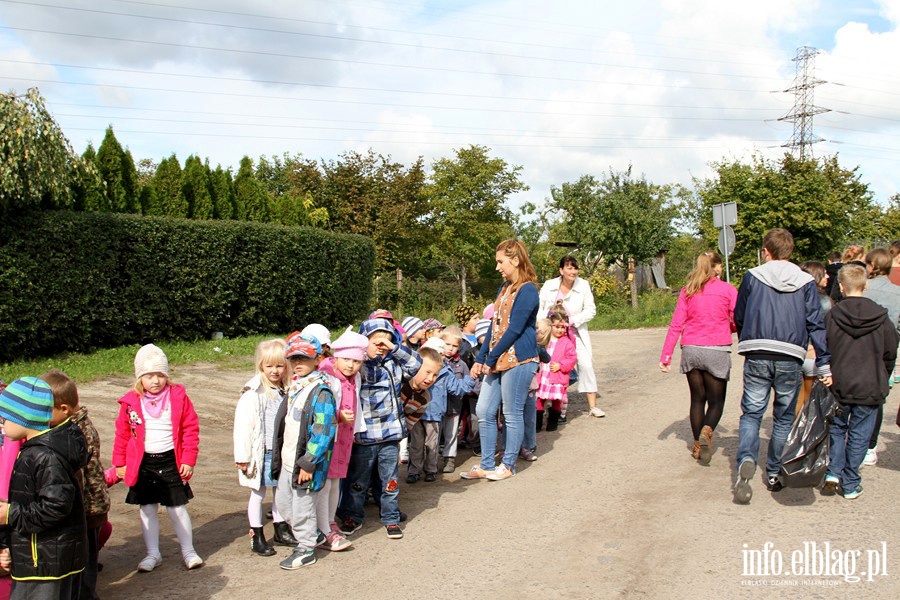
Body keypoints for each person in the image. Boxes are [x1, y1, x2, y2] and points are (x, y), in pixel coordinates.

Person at [732, 229, 831, 505]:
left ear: (767, 250)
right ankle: (774, 472)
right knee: (784, 417)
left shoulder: (753, 276)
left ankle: (747, 460)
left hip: (758, 351)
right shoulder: (805, 282)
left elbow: (739, 313)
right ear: (790, 251)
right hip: (790, 355)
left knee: (751, 413)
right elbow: (815, 321)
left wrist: (747, 338)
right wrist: (823, 359)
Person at [112, 344, 203, 571]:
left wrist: (188, 459)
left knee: (177, 507)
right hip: (143, 463)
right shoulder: (130, 403)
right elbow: (122, 434)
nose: (156, 381)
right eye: (149, 376)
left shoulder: (179, 397)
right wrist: (119, 464)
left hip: (171, 460)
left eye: (160, 375)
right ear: (140, 378)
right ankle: (153, 554)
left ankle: (188, 551)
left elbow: (191, 428)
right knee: (147, 509)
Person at [0, 377, 88, 598]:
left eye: (6, 418)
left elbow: (56, 506)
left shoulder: (44, 455)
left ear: (26, 419)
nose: (2, 424)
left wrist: (11, 513)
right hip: (41, 555)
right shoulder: (38, 449)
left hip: (44, 562)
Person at [336, 317, 422, 540]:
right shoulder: (360, 367)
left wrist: (395, 348)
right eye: (376, 341)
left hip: (390, 435)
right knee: (358, 480)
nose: (381, 345)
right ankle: (352, 515)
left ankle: (391, 516)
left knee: (390, 480)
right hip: (364, 437)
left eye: (387, 340)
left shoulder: (394, 365)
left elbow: (416, 364)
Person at [461, 239, 540, 482]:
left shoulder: (528, 289)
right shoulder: (504, 288)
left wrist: (490, 358)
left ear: (515, 260)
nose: (497, 267)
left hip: (519, 359)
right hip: (498, 358)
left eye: (500, 261)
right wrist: (481, 357)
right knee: (484, 409)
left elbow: (515, 329)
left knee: (511, 412)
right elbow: (495, 328)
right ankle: (486, 464)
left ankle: (507, 465)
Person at [822, 264, 898, 499]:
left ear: (842, 287)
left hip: (839, 381)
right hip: (870, 382)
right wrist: (884, 373)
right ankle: (851, 482)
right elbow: (890, 351)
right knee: (860, 433)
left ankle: (833, 471)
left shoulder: (832, 315)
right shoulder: (881, 316)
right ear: (865, 285)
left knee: (837, 427)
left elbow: (824, 346)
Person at [659, 251, 737, 465]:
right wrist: (730, 327)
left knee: (697, 400)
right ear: (718, 267)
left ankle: (696, 445)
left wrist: (666, 355)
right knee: (717, 401)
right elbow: (737, 319)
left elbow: (676, 324)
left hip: (691, 349)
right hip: (717, 349)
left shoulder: (688, 290)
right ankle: (707, 431)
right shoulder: (728, 290)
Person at [42, 369, 110, 600]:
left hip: (89, 508)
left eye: (44, 410)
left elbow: (77, 476)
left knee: (85, 563)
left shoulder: (77, 433)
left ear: (64, 409)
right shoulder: (69, 426)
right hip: (86, 506)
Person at [271, 333, 337, 570]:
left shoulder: (321, 392)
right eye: (293, 358)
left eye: (304, 358)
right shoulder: (295, 387)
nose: (297, 363)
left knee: (302, 508)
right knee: (284, 505)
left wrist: (309, 462)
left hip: (306, 464)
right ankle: (312, 535)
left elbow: (323, 431)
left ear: (318, 359)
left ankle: (306, 548)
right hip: (288, 460)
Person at [233, 339, 293, 557]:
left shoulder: (286, 389)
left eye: (279, 366)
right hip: (261, 453)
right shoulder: (253, 394)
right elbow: (243, 427)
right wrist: (243, 455)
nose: (275, 371)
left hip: (281, 451)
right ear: (261, 366)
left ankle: (281, 528)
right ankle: (256, 534)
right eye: (269, 366)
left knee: (280, 491)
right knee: (258, 494)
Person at [315, 330, 368, 552]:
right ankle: (323, 528)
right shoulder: (326, 376)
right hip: (328, 437)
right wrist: (337, 414)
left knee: (336, 481)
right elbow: (320, 405)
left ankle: (330, 521)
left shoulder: (354, 378)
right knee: (325, 483)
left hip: (344, 438)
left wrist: (356, 430)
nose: (350, 365)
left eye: (356, 361)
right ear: (337, 357)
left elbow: (356, 404)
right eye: (346, 359)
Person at [539, 256, 605, 418]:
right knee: (549, 367)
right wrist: (544, 327)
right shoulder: (549, 285)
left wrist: (572, 321)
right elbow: (540, 309)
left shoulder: (583, 285)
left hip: (575, 332)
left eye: (575, 268)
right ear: (561, 270)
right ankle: (548, 405)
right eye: (569, 268)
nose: (573, 271)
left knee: (586, 365)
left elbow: (591, 310)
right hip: (552, 334)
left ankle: (593, 406)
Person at [861, 247, 900, 467]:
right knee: (877, 398)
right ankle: (870, 446)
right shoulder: (898, 292)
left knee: (852, 395)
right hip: (885, 349)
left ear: (872, 265)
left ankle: (853, 440)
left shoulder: (862, 290)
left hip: (857, 349)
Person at [795, 261, 833, 416]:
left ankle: (791, 435)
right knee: (811, 402)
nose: (828, 276)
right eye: (824, 273)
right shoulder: (825, 301)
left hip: (796, 352)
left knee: (795, 401)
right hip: (815, 354)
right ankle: (805, 436)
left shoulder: (794, 297)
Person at [537, 305, 578, 433]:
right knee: (539, 399)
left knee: (556, 400)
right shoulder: (545, 339)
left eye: (562, 327)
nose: (560, 330)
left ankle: (552, 424)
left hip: (557, 376)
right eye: (557, 327)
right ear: (551, 326)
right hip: (543, 375)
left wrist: (561, 366)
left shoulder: (567, 342)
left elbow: (572, 358)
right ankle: (537, 424)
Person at [438, 326, 474, 474]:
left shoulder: (462, 365)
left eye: (454, 346)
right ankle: (431, 461)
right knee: (434, 435)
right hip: (436, 407)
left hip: (454, 405)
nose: (450, 349)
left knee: (451, 433)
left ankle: (449, 458)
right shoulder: (437, 361)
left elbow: (468, 382)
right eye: (447, 344)